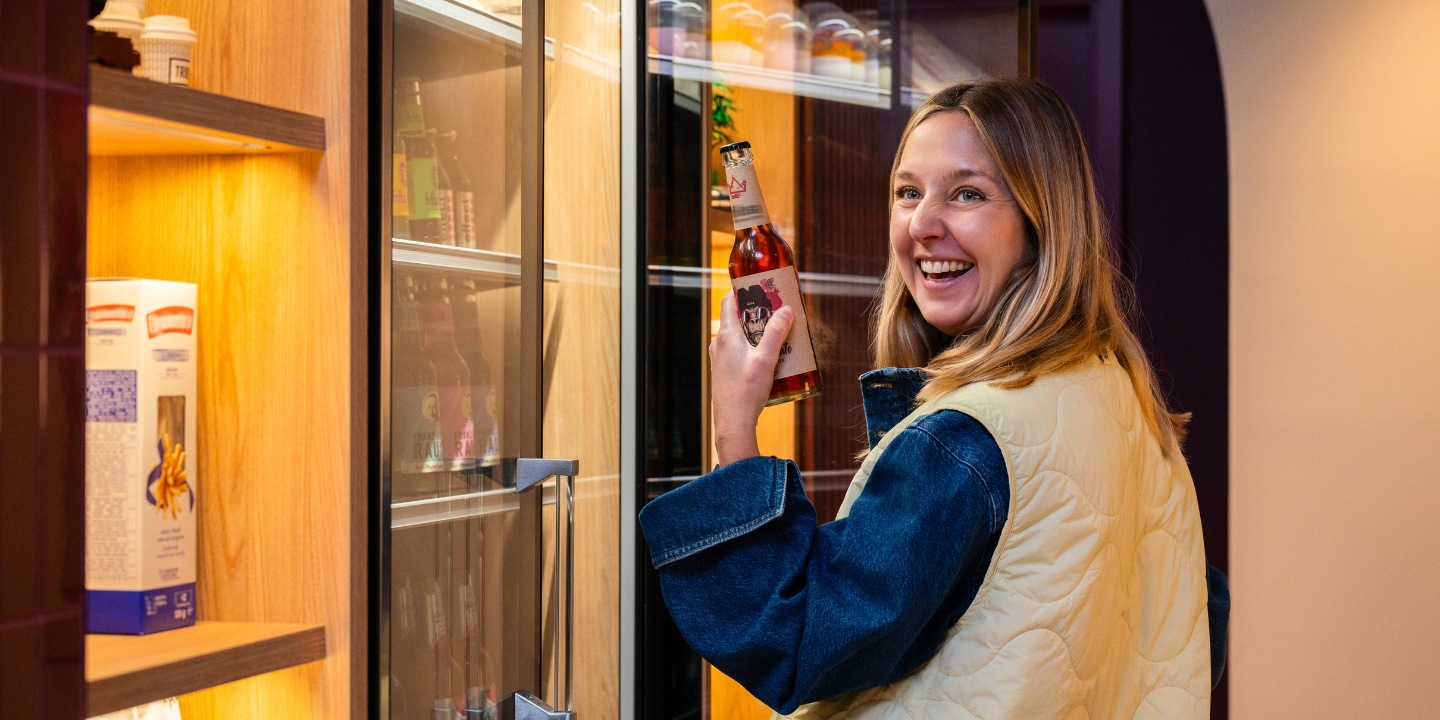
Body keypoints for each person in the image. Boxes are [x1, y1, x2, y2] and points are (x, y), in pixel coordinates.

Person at [638, 77, 1228, 719]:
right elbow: (1194, 627)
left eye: (967, 194)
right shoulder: (1117, 389)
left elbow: (801, 642)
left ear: (1039, 226)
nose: (922, 224)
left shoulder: (965, 439)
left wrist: (734, 431)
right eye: (908, 193)